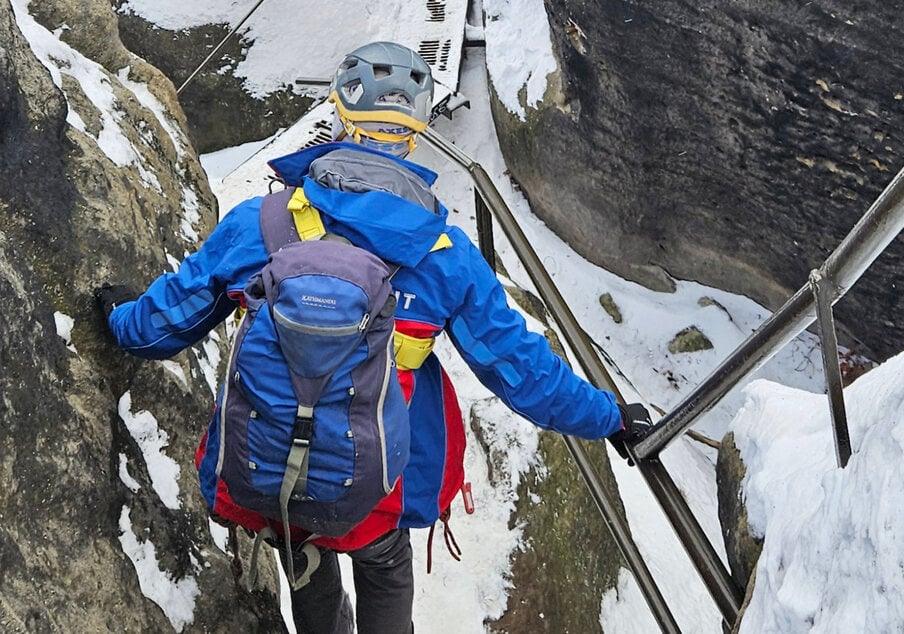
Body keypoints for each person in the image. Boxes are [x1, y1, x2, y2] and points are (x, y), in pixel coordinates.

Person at [96, 41, 653, 634]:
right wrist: (609, 418)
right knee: (384, 564)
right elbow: (525, 377)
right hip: (376, 485)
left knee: (303, 550)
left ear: (339, 114)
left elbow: (164, 324)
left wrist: (115, 319)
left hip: (269, 462)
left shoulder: (258, 227)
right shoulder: (446, 260)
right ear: (415, 132)